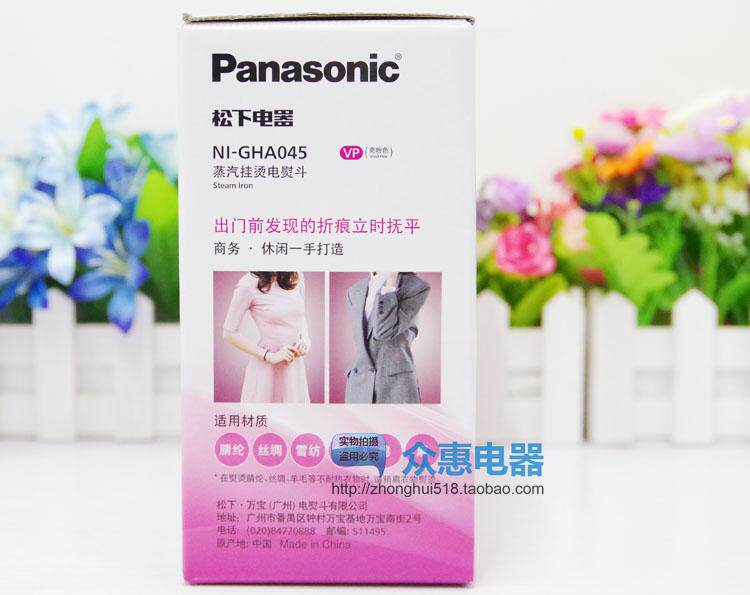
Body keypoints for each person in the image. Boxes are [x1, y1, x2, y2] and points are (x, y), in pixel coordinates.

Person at [222, 271, 310, 403]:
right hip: (267, 367)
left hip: (294, 364)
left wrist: (305, 340)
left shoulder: (295, 274)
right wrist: (269, 356)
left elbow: (300, 314)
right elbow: (229, 333)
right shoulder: (248, 284)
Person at [344, 272, 430, 404]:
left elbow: (384, 331)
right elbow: (361, 340)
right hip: (358, 386)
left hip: (396, 387)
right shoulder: (354, 291)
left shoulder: (415, 286)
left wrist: (391, 284)